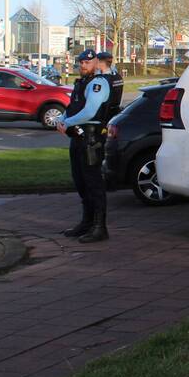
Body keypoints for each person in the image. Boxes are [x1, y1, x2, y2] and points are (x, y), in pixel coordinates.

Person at [56, 49, 111, 243]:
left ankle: (99, 227)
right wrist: (61, 121)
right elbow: (73, 107)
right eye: (81, 63)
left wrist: (67, 122)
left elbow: (89, 112)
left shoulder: (98, 83)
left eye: (87, 63)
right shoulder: (81, 84)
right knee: (81, 182)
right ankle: (86, 223)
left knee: (93, 183)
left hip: (91, 138)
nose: (83, 66)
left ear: (96, 63)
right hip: (78, 138)